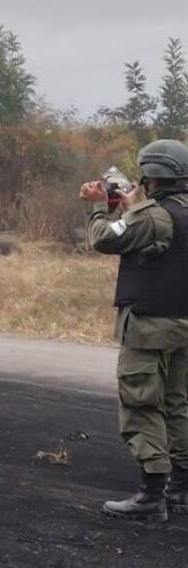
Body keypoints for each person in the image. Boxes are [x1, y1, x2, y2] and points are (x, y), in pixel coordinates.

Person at [82, 139, 188, 522]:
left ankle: (151, 496)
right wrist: (131, 205)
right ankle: (181, 490)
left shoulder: (152, 216)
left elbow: (104, 239)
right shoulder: (173, 212)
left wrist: (97, 206)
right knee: (178, 406)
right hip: (183, 325)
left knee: (142, 405)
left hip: (149, 326)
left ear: (152, 176)